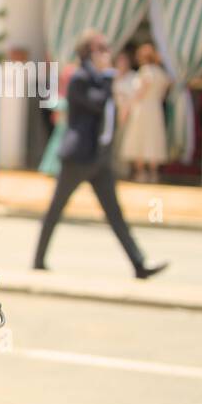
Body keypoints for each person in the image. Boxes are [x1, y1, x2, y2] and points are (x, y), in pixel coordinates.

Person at [32, 29, 167, 279]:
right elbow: (97, 103)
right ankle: (38, 259)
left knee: (115, 214)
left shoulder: (99, 78)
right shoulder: (80, 78)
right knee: (55, 209)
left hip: (99, 158)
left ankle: (139, 264)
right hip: (78, 157)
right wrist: (107, 77)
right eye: (102, 48)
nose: (108, 53)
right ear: (89, 52)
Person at [118, 43, 170, 183]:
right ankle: (153, 173)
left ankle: (141, 173)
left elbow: (140, 93)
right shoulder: (161, 73)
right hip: (155, 109)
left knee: (140, 139)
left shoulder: (145, 71)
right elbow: (164, 93)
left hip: (143, 109)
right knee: (154, 139)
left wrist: (128, 106)